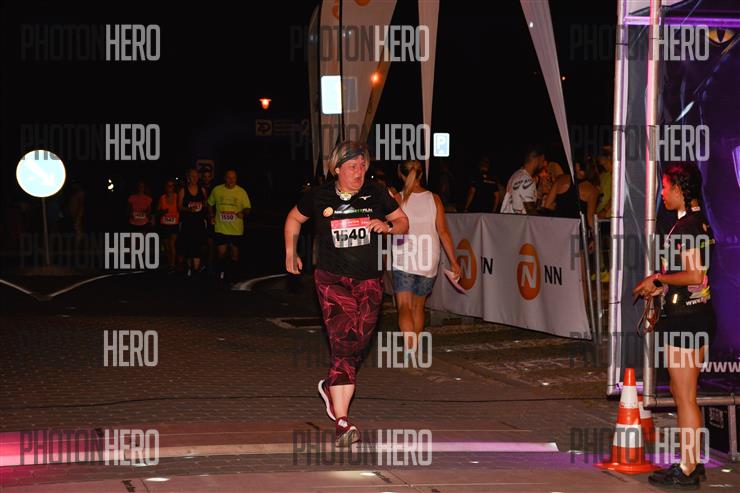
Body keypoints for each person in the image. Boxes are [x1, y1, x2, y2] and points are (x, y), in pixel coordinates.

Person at [283, 140, 408, 447]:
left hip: (369, 282)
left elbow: (403, 221)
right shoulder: (320, 195)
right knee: (343, 345)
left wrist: (389, 227)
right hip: (332, 281)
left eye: (362, 166)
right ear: (337, 169)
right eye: (352, 166)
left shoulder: (377, 192)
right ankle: (342, 422)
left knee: (358, 343)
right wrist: (290, 252)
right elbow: (294, 219)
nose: (359, 172)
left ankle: (331, 386)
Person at [632, 162, 715, 489]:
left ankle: (688, 468)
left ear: (679, 190)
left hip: (686, 321)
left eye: (666, 187)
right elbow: (695, 279)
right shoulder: (697, 222)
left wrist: (658, 278)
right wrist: (663, 286)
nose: (662, 193)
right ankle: (691, 461)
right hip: (696, 316)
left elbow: (694, 274)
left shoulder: (687, 227)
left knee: (685, 397)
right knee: (686, 396)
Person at [391, 160, 461, 356]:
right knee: (418, 306)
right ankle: (413, 350)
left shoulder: (398, 198)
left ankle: (410, 350)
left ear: (400, 174)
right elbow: (443, 232)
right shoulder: (434, 199)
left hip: (405, 258)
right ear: (421, 174)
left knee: (404, 306)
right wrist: (454, 262)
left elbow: (389, 229)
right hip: (429, 259)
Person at [208, 169, 251, 282]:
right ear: (224, 178)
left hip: (236, 229)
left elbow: (247, 208)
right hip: (221, 228)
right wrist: (211, 216)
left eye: (234, 178)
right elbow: (210, 203)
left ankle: (233, 275)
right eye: (229, 177)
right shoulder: (217, 190)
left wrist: (243, 213)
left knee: (234, 254)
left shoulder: (241, 192)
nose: (231, 180)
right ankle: (221, 273)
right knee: (221, 253)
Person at [178, 168, 208, 277]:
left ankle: (196, 269)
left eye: (196, 176)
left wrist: (202, 206)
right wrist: (188, 209)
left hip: (199, 223)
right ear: (188, 178)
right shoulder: (183, 190)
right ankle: (189, 268)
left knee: (198, 245)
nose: (195, 178)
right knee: (188, 245)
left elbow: (206, 204)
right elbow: (179, 207)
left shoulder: (202, 190)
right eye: (192, 176)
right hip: (187, 223)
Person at [501, 146, 545, 214]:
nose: (543, 165)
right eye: (542, 161)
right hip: (518, 220)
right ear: (536, 161)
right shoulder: (526, 179)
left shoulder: (516, 174)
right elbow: (530, 211)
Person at [157, 179, 180, 271]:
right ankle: (170, 263)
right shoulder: (162, 198)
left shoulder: (177, 197)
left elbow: (181, 208)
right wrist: (162, 212)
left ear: (174, 187)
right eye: (168, 185)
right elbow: (157, 211)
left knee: (171, 243)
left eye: (171, 186)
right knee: (166, 246)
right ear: (165, 187)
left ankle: (173, 264)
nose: (170, 187)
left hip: (174, 224)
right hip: (164, 224)